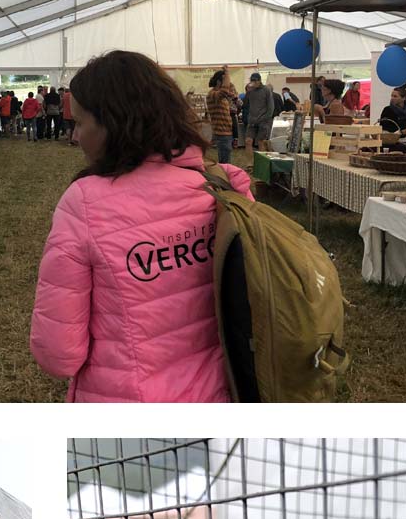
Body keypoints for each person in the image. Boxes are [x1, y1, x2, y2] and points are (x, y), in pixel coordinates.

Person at [30, 50, 252, 402]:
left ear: (112, 123)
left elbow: (59, 354)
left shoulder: (85, 203)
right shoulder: (225, 184)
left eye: (80, 123)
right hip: (223, 390)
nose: (75, 138)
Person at [205, 68, 236, 163]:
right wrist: (227, 73)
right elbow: (224, 90)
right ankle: (224, 177)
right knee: (225, 162)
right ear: (219, 82)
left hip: (226, 132)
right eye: (224, 81)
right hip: (222, 133)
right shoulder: (213, 94)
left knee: (225, 160)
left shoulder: (219, 96)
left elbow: (228, 92)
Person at [242, 72, 273, 153]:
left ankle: (262, 163)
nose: (253, 83)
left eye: (255, 81)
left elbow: (271, 107)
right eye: (252, 81)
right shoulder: (250, 90)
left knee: (261, 142)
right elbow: (245, 104)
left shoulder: (266, 90)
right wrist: (248, 92)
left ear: (260, 81)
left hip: (263, 121)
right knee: (248, 141)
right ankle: (249, 164)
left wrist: (266, 118)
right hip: (252, 121)